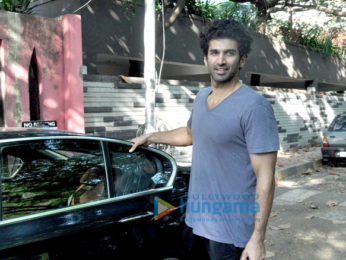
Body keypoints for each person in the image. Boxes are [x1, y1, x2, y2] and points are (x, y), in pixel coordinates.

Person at [130, 19, 279, 260]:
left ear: (241, 60)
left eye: (229, 53)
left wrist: (257, 239)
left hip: (231, 234)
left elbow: (266, 177)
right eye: (215, 53)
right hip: (196, 222)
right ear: (205, 58)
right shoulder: (201, 97)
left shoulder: (254, 107)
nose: (221, 61)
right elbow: (190, 133)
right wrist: (151, 136)